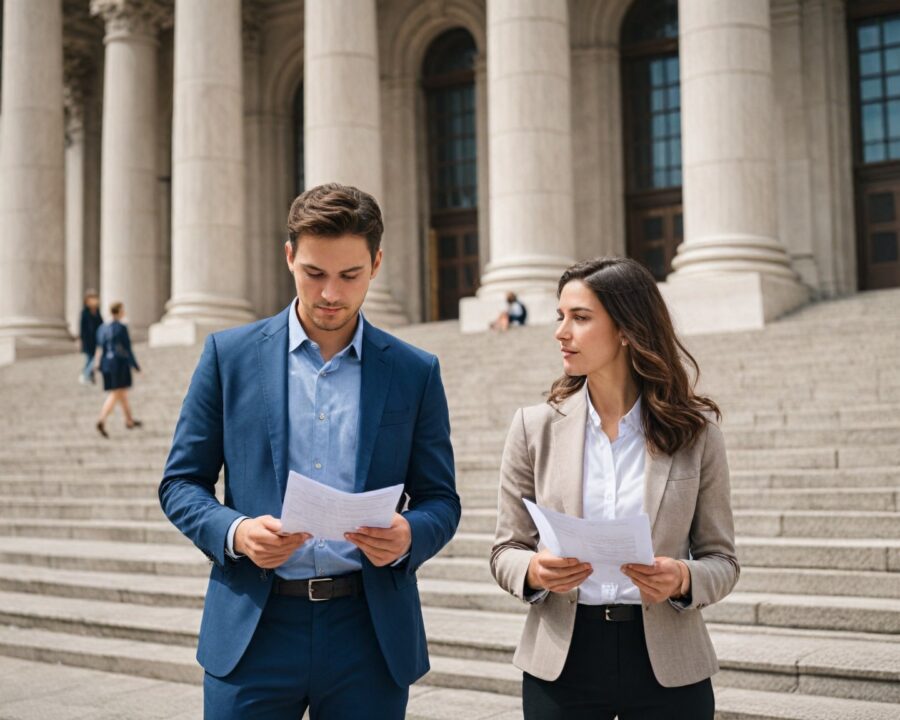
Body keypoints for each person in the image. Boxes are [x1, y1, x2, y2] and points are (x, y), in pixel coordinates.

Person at [159, 183, 460, 719]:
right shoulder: (228, 357)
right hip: (255, 628)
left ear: (377, 264)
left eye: (350, 276)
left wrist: (410, 534)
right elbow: (181, 483)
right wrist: (236, 533)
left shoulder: (415, 372)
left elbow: (441, 499)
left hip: (368, 634)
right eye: (314, 273)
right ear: (290, 256)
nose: (330, 294)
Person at [490, 257, 739, 719]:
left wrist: (683, 579)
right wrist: (536, 572)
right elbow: (506, 550)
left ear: (627, 329)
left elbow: (722, 560)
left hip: (668, 662)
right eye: (559, 316)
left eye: (580, 318)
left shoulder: (696, 433)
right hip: (563, 660)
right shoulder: (533, 427)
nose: (561, 332)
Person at [94, 302, 142, 438]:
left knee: (122, 392)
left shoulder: (102, 328)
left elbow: (99, 347)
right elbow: (127, 348)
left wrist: (96, 365)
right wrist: (135, 365)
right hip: (119, 363)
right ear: (119, 312)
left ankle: (129, 420)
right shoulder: (121, 327)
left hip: (106, 364)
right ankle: (101, 419)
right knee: (116, 393)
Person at [78, 289, 103, 385]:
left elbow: (101, 325)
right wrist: (81, 340)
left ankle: (90, 377)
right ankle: (85, 375)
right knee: (91, 359)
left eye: (96, 298)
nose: (95, 300)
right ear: (87, 300)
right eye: (92, 298)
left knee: (93, 358)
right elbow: (82, 328)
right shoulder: (84, 313)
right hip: (87, 340)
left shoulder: (97, 312)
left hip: (97, 340)